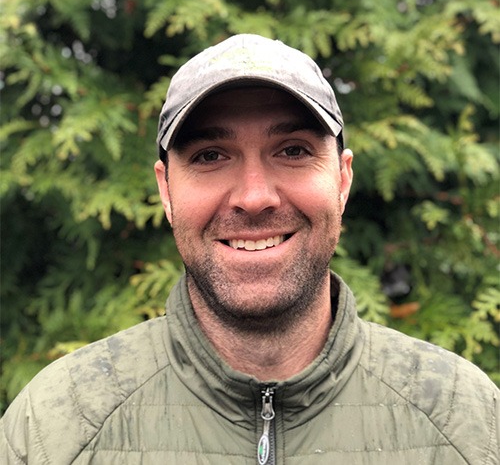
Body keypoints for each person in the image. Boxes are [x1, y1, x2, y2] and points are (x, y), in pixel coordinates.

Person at [1, 34, 498, 465]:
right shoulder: (55, 428)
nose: (254, 196)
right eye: (210, 156)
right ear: (166, 191)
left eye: (294, 151)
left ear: (342, 180)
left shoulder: (465, 422)